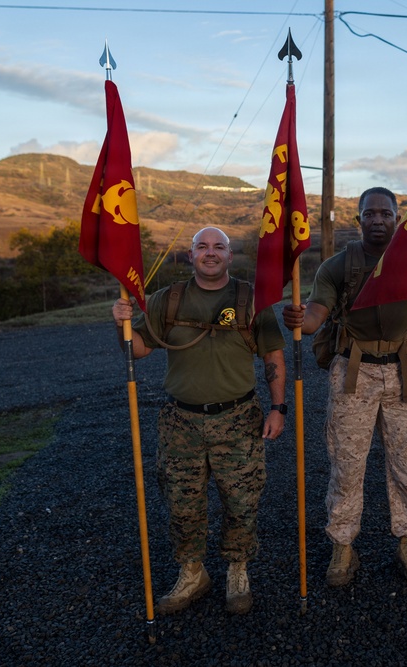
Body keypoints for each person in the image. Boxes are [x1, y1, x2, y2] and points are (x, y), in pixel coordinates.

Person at [282, 187, 407, 588]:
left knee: (406, 465)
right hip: (353, 373)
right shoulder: (337, 266)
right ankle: (343, 545)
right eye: (370, 214)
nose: (378, 220)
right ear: (358, 219)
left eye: (386, 213)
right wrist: (299, 320)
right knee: (347, 465)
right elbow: (314, 317)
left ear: (397, 218)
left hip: (403, 374)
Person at [111, 226, 286, 615]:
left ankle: (237, 570)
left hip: (238, 420)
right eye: (202, 247)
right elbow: (138, 350)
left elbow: (273, 356)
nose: (210, 253)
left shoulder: (251, 299)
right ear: (190, 255)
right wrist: (120, 321)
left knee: (241, 502)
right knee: (182, 505)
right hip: (181, 424)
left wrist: (279, 408)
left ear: (230, 256)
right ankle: (193, 573)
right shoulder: (166, 300)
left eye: (218, 247)